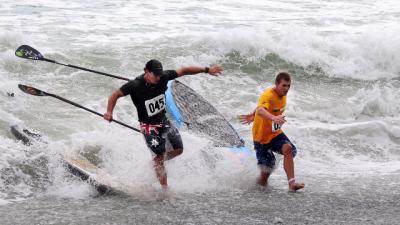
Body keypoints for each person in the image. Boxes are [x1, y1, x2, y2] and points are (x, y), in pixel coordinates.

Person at [103, 59, 223, 190]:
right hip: (148, 126)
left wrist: (206, 70)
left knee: (179, 149)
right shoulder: (135, 85)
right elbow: (115, 95)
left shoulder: (163, 77)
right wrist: (109, 112)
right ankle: (165, 189)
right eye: (155, 75)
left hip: (163, 120)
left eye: (160, 74)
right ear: (146, 72)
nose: (158, 77)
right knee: (159, 157)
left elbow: (183, 70)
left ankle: (156, 162)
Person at [239, 72, 304, 192]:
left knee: (288, 149)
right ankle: (256, 191)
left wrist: (252, 115)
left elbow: (261, 107)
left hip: (275, 134)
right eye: (283, 86)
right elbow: (261, 109)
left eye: (288, 86)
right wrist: (273, 118)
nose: (286, 89)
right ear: (276, 84)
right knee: (266, 173)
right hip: (261, 138)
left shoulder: (282, 94)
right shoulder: (268, 95)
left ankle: (291, 184)